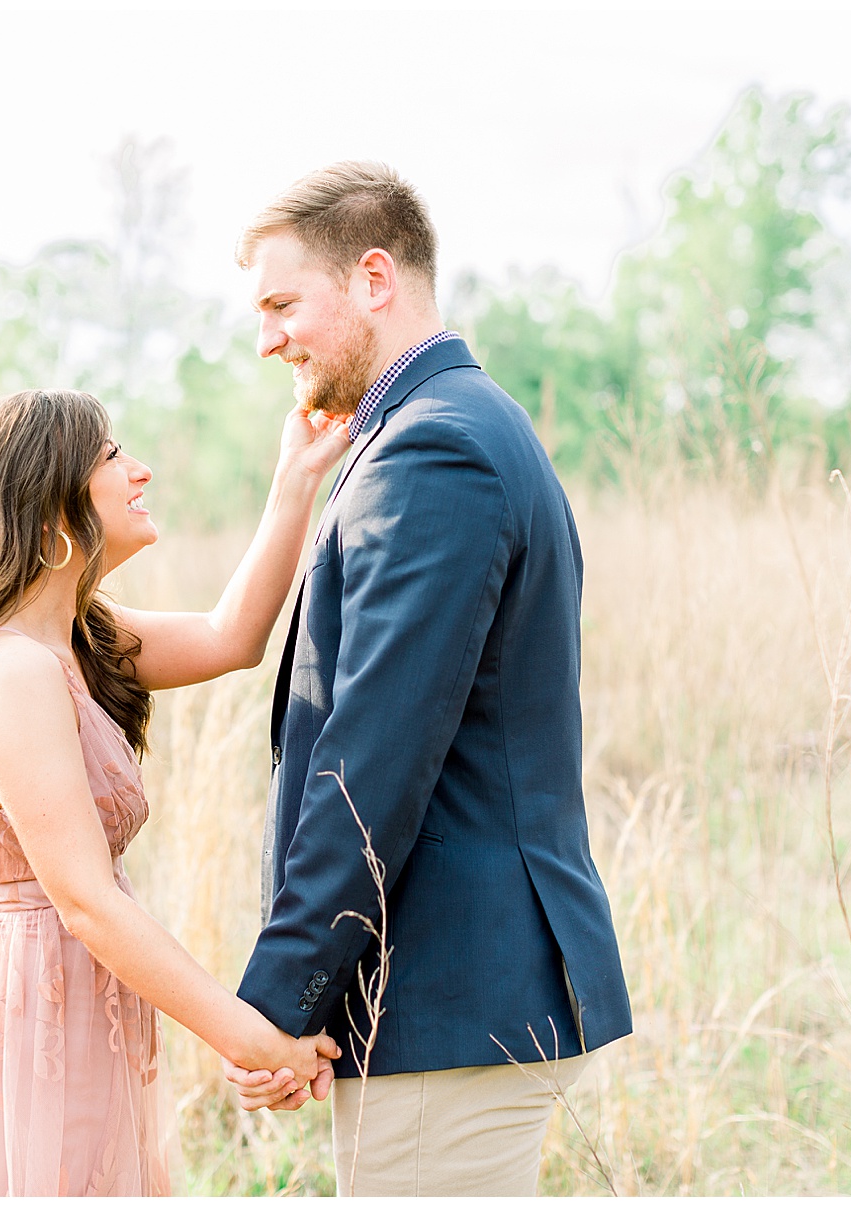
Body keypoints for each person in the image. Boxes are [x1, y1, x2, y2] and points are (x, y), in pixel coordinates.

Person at [221, 162, 634, 1195]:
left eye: (282, 304)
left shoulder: (434, 450)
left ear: (374, 278)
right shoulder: (452, 423)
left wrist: (277, 1000)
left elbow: (372, 760)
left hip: (448, 992)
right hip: (456, 1000)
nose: (266, 339)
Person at [0, 388, 349, 1195]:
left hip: (79, 985)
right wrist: (247, 1035)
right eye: (111, 456)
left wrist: (297, 476)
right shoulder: (13, 672)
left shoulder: (77, 636)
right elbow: (86, 901)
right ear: (49, 509)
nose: (141, 470)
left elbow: (231, 637)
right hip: (31, 997)